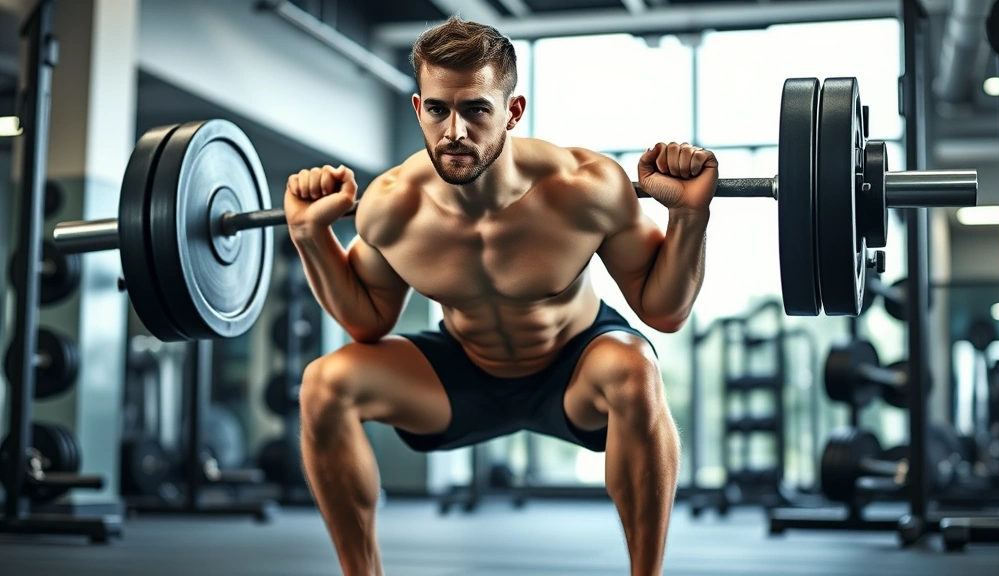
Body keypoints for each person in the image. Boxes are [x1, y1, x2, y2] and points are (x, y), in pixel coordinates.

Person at [284, 15, 717, 576]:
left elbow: (664, 310)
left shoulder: (584, 188)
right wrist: (310, 236)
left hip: (572, 371)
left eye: (476, 109)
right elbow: (368, 321)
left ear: (512, 111)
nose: (454, 131)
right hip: (463, 374)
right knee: (325, 383)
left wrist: (689, 216)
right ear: (418, 108)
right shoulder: (392, 207)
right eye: (438, 109)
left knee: (634, 368)